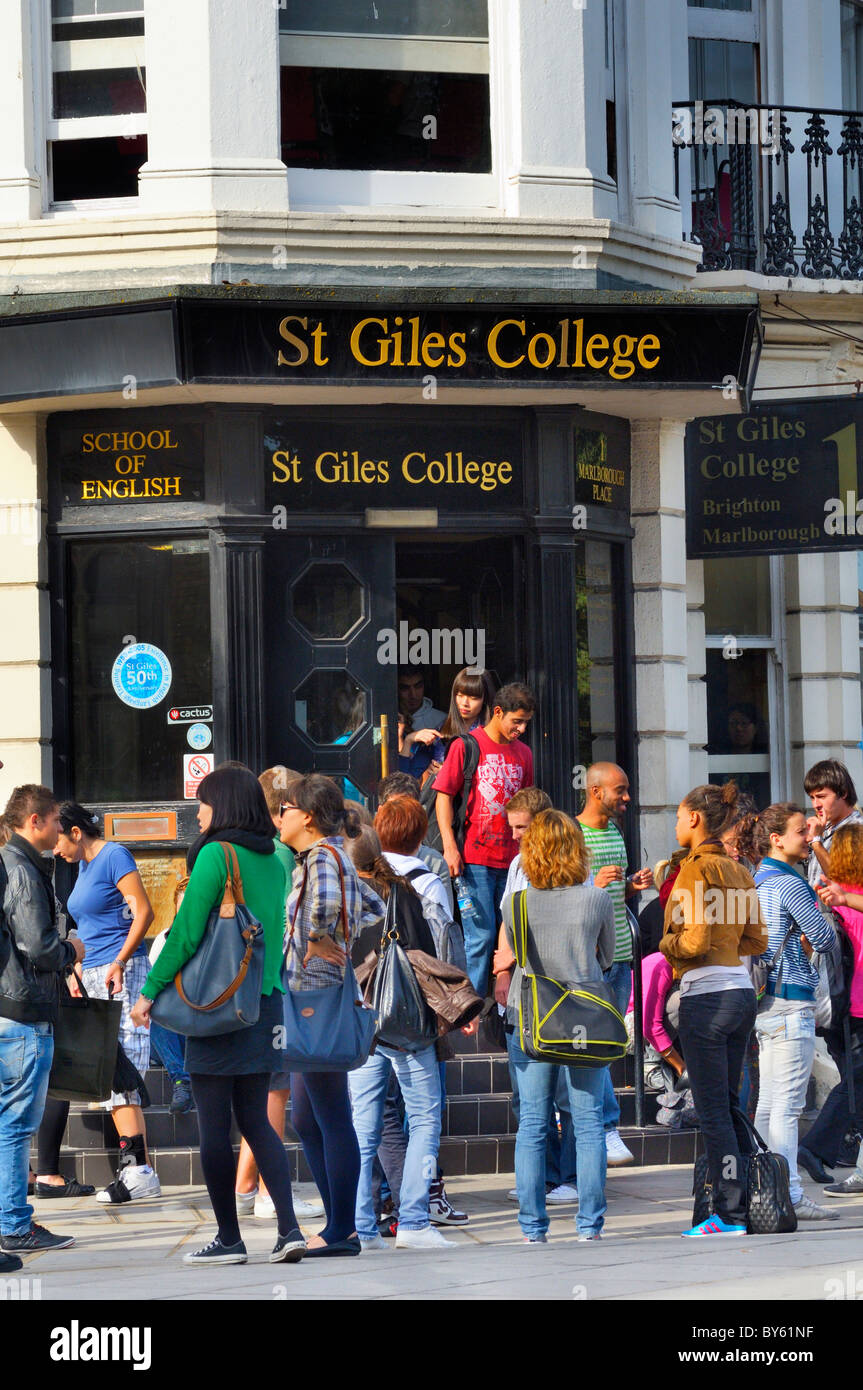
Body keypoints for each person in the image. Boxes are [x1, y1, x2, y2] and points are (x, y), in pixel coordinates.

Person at [131, 765, 305, 1266]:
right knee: (256, 1119)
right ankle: (288, 1230)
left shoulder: (215, 855)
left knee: (213, 1126)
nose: (198, 812)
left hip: (218, 1007)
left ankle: (229, 1238)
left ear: (223, 805)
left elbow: (184, 934)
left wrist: (149, 991)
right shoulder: (277, 858)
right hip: (264, 1001)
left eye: (203, 803)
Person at [280, 773, 386, 1256]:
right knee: (305, 1115)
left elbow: (332, 906)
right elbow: (373, 904)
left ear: (305, 815)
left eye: (285, 808)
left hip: (317, 997)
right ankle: (336, 1221)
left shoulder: (323, 855)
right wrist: (336, 932)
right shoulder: (328, 856)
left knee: (330, 1114)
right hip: (312, 996)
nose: (279, 816)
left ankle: (343, 1228)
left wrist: (323, 937)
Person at [502, 810, 616, 1242]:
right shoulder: (596, 900)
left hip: (529, 1017)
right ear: (576, 850)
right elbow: (607, 957)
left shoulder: (514, 903)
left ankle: (533, 1229)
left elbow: (519, 953)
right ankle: (589, 1226)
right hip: (584, 1019)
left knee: (532, 1121)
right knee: (587, 1122)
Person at [660, 781, 768, 1237]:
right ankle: (744, 1202)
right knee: (728, 1104)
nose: (678, 823)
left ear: (695, 819)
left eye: (681, 815)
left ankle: (728, 1213)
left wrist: (666, 943)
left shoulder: (694, 871)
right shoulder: (740, 870)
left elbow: (693, 940)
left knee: (712, 1111)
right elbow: (757, 940)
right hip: (742, 994)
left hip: (706, 997)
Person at [345, 828, 456, 1252]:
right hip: (403, 1025)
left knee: (363, 1127)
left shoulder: (341, 898)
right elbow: (426, 960)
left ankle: (362, 1226)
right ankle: (412, 1219)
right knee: (425, 1118)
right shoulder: (402, 894)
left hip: (360, 1028)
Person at [54, 802, 160, 1205]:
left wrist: (117, 962)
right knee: (113, 1070)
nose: (56, 850)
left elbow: (144, 911)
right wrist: (74, 971)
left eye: (60, 840)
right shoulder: (82, 866)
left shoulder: (114, 855)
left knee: (123, 1070)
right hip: (94, 972)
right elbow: (88, 926)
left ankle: (136, 1171)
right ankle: (138, 1170)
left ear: (76, 832)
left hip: (123, 968)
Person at [233, 768, 324, 1225]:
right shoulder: (281, 858)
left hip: (251, 984)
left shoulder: (242, 853)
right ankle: (269, 1188)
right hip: (279, 982)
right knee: (276, 1089)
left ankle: (246, 1186)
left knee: (264, 1087)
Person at [373, 795, 470, 1226]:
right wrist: (460, 1006)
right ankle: (420, 1205)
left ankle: (375, 1208)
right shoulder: (428, 882)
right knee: (424, 1112)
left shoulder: (363, 879)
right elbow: (447, 946)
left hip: (369, 1009)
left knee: (374, 1113)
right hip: (415, 1013)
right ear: (419, 836)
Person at [0, 785, 84, 1257]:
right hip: (23, 1014)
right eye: (55, 821)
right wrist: (72, 949)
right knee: (14, 1125)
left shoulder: (15, 863)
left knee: (6, 1124)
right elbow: (38, 946)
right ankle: (14, 1224)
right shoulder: (23, 871)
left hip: (12, 1010)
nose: (60, 830)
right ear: (34, 821)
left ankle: (11, 1220)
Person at [747, 803, 838, 1220]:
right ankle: (791, 1195)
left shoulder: (755, 878)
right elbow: (822, 938)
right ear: (776, 838)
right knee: (786, 1106)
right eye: (801, 831)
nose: (808, 837)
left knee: (768, 1105)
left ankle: (767, 1190)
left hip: (763, 1001)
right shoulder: (790, 882)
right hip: (791, 999)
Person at [493, 789, 579, 1205]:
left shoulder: (570, 871)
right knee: (526, 1098)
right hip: (522, 994)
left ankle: (570, 1176)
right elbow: (506, 920)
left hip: (560, 997)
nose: (514, 836)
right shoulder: (516, 865)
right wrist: (500, 971)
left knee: (566, 1095)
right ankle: (540, 1177)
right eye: (511, 827)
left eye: (522, 827)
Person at [434, 682, 536, 995]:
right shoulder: (466, 745)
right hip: (474, 858)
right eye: (516, 721)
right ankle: (472, 1013)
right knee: (480, 936)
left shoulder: (524, 753)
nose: (520, 729)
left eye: (525, 723)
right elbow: (443, 796)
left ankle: (508, 1005)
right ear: (497, 712)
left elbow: (529, 804)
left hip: (513, 860)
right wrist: (450, 846)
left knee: (515, 935)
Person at [577, 764, 654, 1166]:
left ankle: (599, 1129)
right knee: (595, 1048)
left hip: (620, 954)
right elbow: (561, 895)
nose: (626, 798)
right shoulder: (573, 836)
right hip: (588, 960)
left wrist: (629, 886)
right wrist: (594, 885)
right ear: (595, 791)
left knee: (607, 1048)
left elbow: (616, 897)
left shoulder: (615, 834)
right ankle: (605, 1128)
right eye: (619, 791)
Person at [802, 823, 863, 1189]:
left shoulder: (827, 895)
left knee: (857, 1084)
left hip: (840, 1005)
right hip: (855, 1005)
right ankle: (815, 1146)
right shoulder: (844, 896)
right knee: (854, 1084)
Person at [148, 875, 193, 1118]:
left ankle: (182, 1081)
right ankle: (180, 1082)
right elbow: (152, 987)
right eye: (181, 904)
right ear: (175, 905)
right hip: (168, 1033)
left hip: (197, 1029)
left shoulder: (213, 941)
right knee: (158, 1022)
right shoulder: (163, 939)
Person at [378, 771, 452, 912]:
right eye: (394, 809)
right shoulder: (370, 858)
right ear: (380, 811)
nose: (402, 817)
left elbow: (443, 923)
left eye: (408, 809)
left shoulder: (434, 861)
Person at [804, 758, 863, 889]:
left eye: (821, 797)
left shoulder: (857, 829)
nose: (816, 805)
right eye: (812, 797)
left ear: (843, 793)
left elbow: (843, 882)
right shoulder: (826, 828)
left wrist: (816, 842)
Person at [397, 667, 446, 732]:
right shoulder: (389, 718)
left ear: (425, 686)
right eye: (405, 688)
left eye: (418, 686)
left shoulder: (442, 720)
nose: (413, 695)